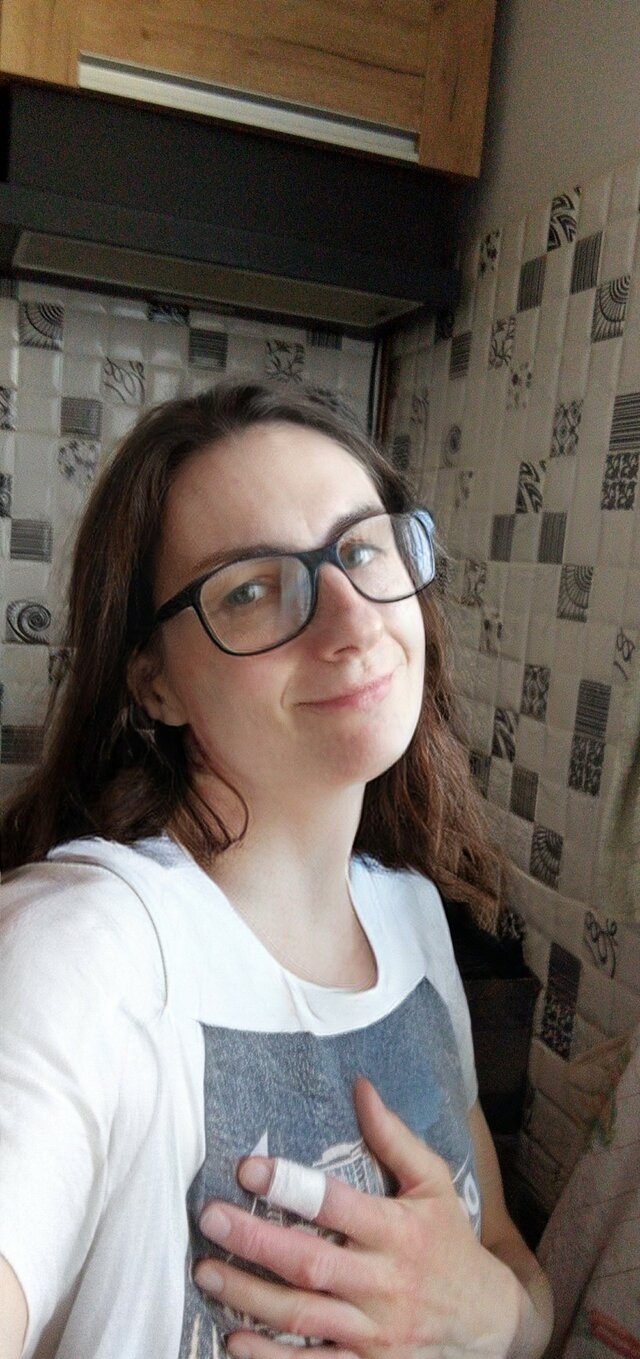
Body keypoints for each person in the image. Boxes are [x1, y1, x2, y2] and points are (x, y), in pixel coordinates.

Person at [0, 382, 553, 1359]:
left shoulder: (414, 920)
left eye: (363, 549)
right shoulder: (85, 949)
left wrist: (499, 1315)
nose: (352, 622)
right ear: (154, 680)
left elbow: (505, 1257)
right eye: (250, 589)